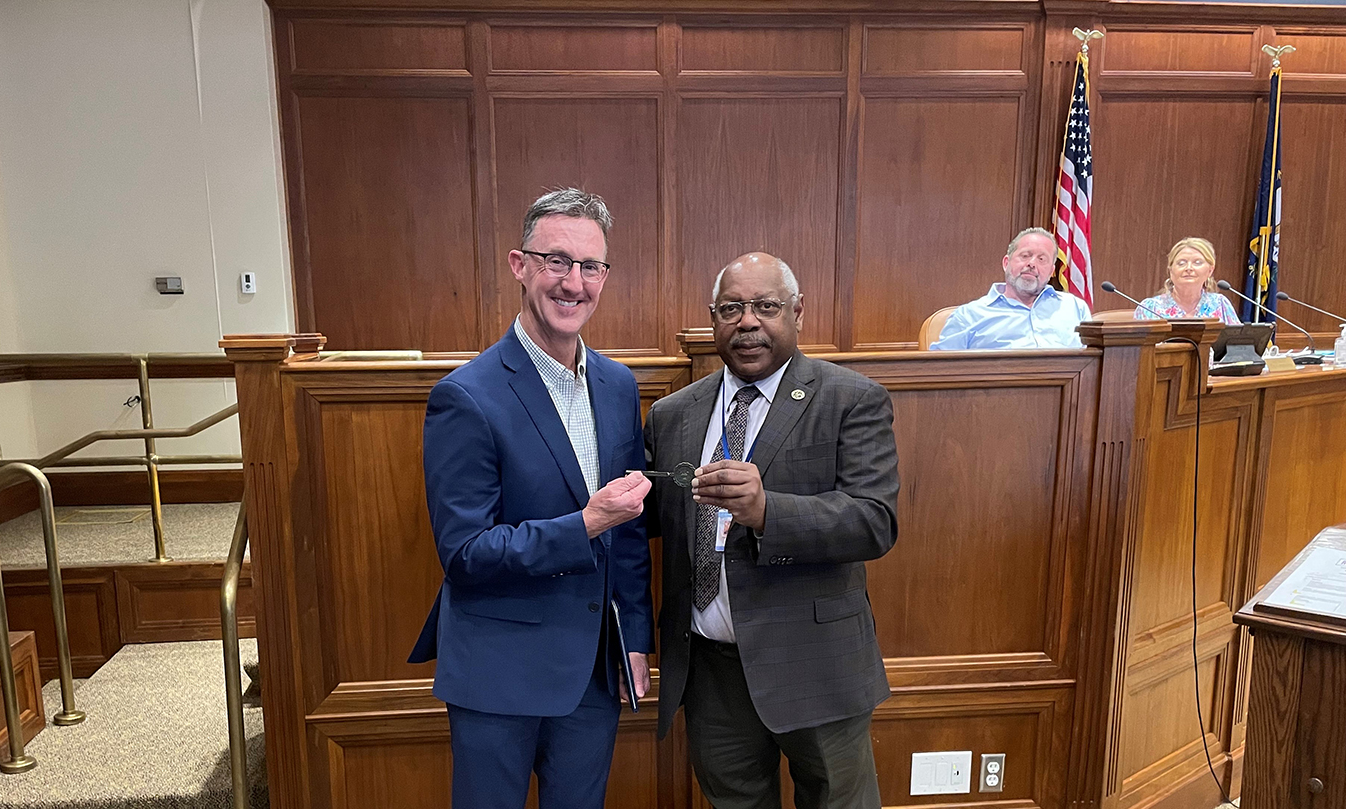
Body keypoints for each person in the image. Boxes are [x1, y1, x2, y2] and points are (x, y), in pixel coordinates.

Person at [408, 188, 654, 809]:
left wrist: (635, 638)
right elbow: (465, 552)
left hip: (595, 672)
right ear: (520, 266)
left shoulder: (617, 384)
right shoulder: (466, 396)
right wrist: (586, 522)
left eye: (591, 266)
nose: (575, 283)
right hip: (500, 670)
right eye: (557, 262)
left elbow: (626, 533)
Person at [645, 252, 900, 809]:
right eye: (732, 308)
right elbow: (653, 520)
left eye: (766, 306)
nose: (748, 321)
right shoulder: (673, 414)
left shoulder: (850, 398)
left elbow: (874, 521)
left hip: (816, 664)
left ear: (797, 312)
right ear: (714, 317)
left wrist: (767, 512)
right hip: (711, 672)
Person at [930, 227, 1092, 350]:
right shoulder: (969, 316)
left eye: (1042, 259)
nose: (1032, 264)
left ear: (1051, 272)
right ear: (1006, 263)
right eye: (1025, 255)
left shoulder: (1075, 308)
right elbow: (940, 371)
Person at [1133, 237, 1241, 324]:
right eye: (1181, 263)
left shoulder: (1220, 304)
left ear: (1210, 270)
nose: (1189, 268)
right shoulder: (1149, 308)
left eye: (1197, 262)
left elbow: (1236, 346)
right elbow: (1136, 349)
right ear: (1170, 271)